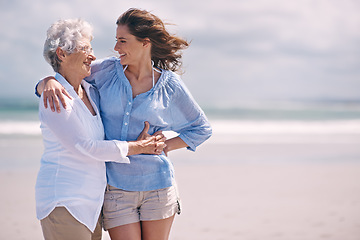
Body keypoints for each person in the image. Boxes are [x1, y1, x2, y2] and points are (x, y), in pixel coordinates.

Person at [36, 8, 212, 240]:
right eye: (116, 40)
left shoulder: (169, 85)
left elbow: (201, 128)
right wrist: (46, 81)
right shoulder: (106, 71)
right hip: (116, 189)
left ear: (144, 43)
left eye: (122, 41)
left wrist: (163, 146)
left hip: (158, 185)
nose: (116, 48)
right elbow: (67, 73)